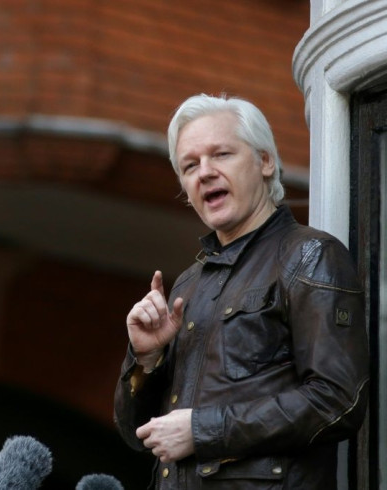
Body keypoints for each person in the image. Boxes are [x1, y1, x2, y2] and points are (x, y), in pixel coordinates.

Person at [113, 94, 369, 489]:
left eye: (221, 155)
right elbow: (137, 434)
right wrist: (146, 359)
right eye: (190, 165)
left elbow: (337, 402)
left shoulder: (309, 255)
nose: (205, 173)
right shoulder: (188, 283)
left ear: (265, 161)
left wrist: (202, 430)